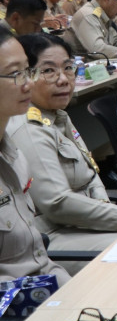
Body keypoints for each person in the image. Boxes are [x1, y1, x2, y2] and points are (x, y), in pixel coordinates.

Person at [8, 34, 117, 274]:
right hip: (55, 237)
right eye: (48, 71)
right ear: (27, 76)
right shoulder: (29, 128)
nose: (63, 79)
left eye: (68, 68)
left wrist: (115, 214)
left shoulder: (57, 116)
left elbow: (91, 175)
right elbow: (58, 203)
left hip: (84, 225)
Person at [0, 27, 70, 286]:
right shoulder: (24, 134)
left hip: (42, 289)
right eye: (15, 74)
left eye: (28, 71)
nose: (29, 83)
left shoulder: (14, 155)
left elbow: (39, 260)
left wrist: (69, 292)